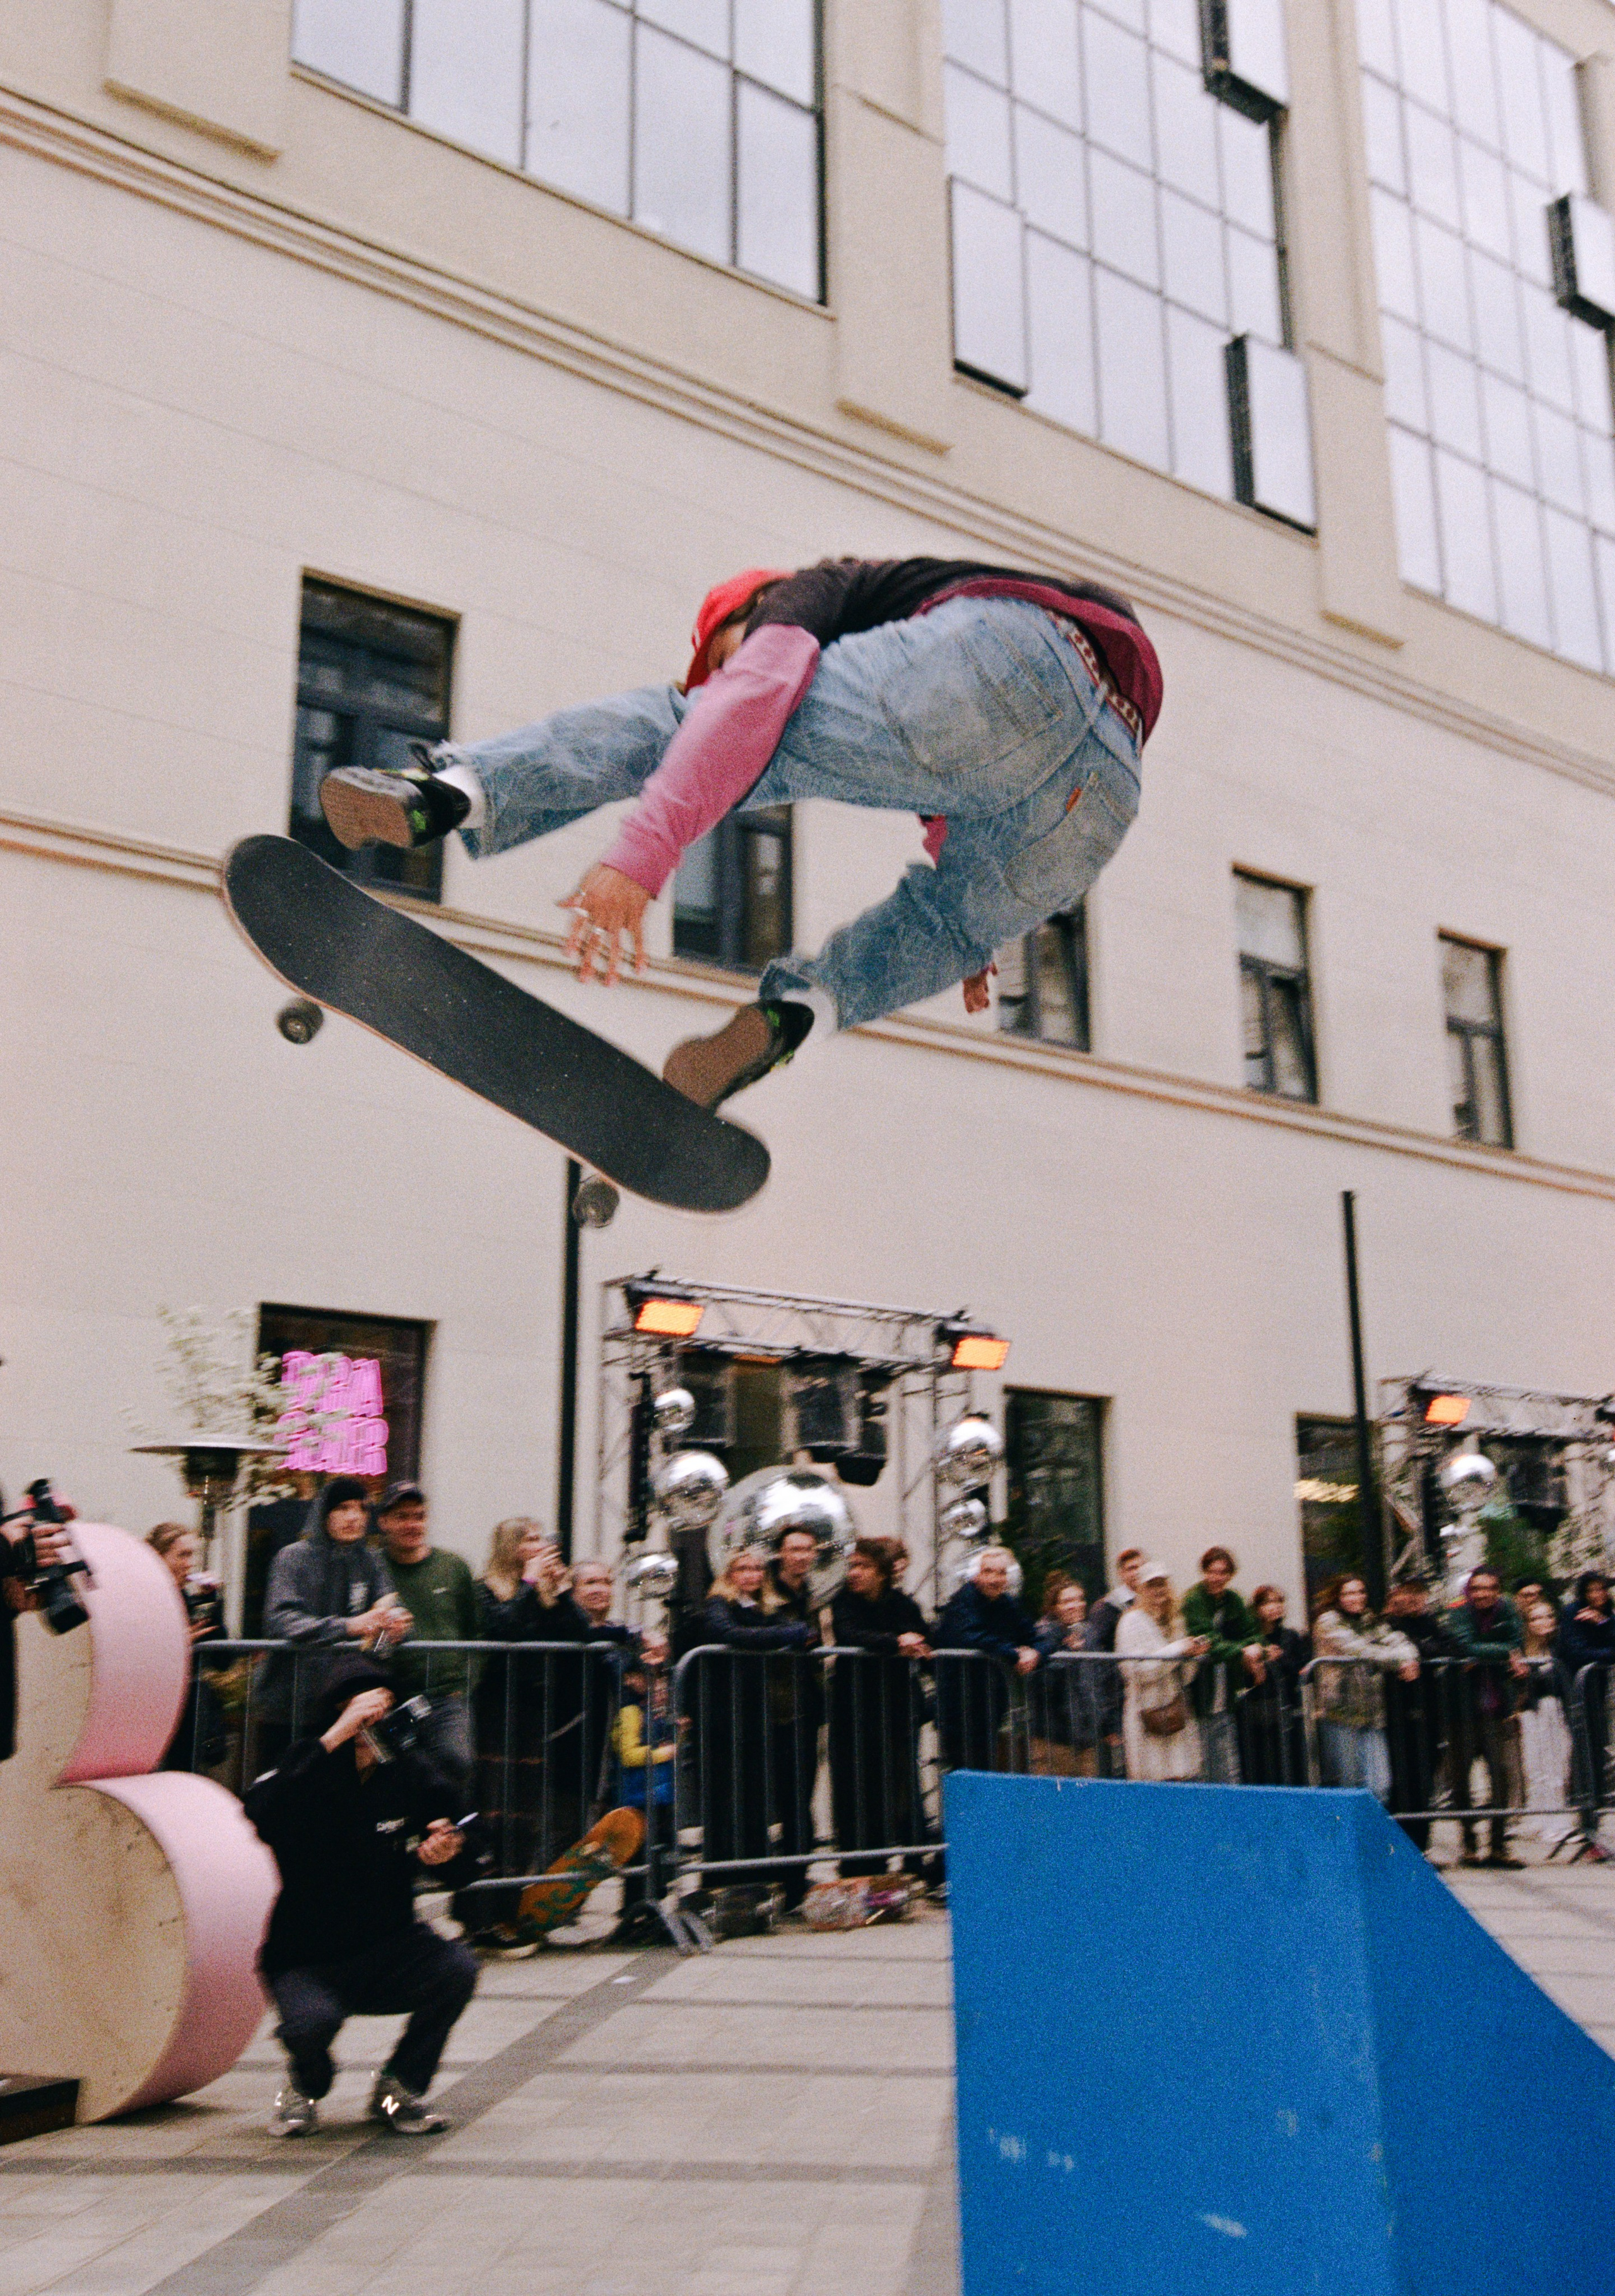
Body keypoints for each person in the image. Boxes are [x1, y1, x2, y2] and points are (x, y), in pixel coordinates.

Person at [316, 557, 1158, 1108]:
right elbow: (986, 781)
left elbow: (745, 706)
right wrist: (982, 943)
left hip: (1006, 647)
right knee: (947, 924)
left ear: (747, 614)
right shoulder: (908, 651)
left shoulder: (808, 595)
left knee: (693, 727)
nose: (722, 674)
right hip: (1112, 778)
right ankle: (797, 1015)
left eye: (722, 654)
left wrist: (641, 859)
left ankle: (446, 792)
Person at [244, 1650, 479, 2138]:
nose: (376, 1723)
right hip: (305, 1955)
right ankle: (306, 2082)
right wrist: (335, 1737)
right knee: (310, 2027)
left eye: (384, 1709)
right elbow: (259, 1813)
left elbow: (466, 1846)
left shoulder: (409, 1773)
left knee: (457, 1970)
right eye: (364, 1712)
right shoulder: (306, 1768)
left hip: (388, 1944)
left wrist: (448, 1849)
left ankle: (400, 2086)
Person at [257, 1479, 410, 1766]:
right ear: (324, 1513)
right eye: (343, 1508)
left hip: (343, 1705)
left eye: (362, 1509)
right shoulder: (293, 1558)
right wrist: (350, 1626)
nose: (354, 1517)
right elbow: (281, 1620)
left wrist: (397, 1623)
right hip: (288, 1705)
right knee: (281, 1791)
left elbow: (389, 1604)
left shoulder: (371, 1560)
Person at [696, 1545, 814, 1912]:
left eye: (756, 1570)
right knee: (725, 1795)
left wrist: (788, 1631)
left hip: (753, 1711)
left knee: (753, 1796)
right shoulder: (718, 1604)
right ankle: (720, 1878)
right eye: (742, 1569)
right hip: (722, 1711)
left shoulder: (760, 1607)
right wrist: (787, 1634)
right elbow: (733, 1634)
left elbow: (788, 1629)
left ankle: (754, 1880)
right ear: (729, 1573)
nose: (750, 1576)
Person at [828, 1538, 932, 1875]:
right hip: (854, 1711)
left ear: (883, 1573)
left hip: (896, 1709)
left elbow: (925, 1638)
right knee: (855, 1787)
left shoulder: (903, 1604)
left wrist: (916, 1642)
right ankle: (860, 1866)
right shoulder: (843, 1601)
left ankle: (913, 1865)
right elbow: (848, 1634)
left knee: (902, 1786)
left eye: (864, 1566)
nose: (854, 1573)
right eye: (852, 1566)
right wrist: (896, 1641)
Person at [373, 1484, 482, 1794]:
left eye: (419, 1517)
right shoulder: (373, 1568)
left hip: (447, 1697)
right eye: (402, 1517)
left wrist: (466, 1683)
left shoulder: (453, 1567)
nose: (412, 1525)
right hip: (391, 1698)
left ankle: (446, 1837)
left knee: (456, 1762)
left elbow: (477, 1631)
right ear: (384, 1522)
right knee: (389, 1769)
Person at [761, 1526, 828, 1911]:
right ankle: (777, 1879)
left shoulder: (814, 1594)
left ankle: (796, 1880)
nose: (802, 1556)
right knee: (776, 1798)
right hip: (774, 1707)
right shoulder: (768, 1593)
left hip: (806, 1707)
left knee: (800, 1797)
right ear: (780, 1554)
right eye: (794, 1549)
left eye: (807, 1549)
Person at [1445, 1566, 1527, 1868]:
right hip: (1463, 1712)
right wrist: (1504, 1653)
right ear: (1470, 1591)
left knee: (1503, 1779)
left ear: (1497, 1589)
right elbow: (1465, 1645)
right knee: (1461, 1782)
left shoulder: (1508, 1611)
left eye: (1489, 1588)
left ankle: (1497, 1845)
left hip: (1497, 1709)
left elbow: (1517, 1642)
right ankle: (1468, 1843)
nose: (1482, 1594)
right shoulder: (1459, 1612)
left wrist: (1486, 1654)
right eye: (1477, 1588)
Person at [1310, 1575, 1418, 1803]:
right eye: (1349, 1593)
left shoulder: (1370, 1619)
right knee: (1350, 1785)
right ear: (1338, 1597)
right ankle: (1350, 1839)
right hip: (1339, 1713)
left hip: (1371, 1713)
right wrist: (1399, 1661)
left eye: (1360, 1592)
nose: (1356, 1598)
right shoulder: (1328, 1621)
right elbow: (1359, 1650)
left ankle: (1370, 1838)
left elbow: (1398, 1639)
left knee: (1381, 1787)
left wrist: (1409, 1658)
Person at [934, 1547, 1040, 1774]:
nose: (995, 1579)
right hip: (958, 1707)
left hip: (989, 1705)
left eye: (1001, 1573)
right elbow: (970, 1635)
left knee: (985, 1771)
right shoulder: (963, 1601)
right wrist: (1014, 1652)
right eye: (988, 1572)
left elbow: (1035, 1636)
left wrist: (1036, 1652)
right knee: (961, 1775)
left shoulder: (1007, 1604)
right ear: (976, 1575)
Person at [609, 1632, 677, 1943]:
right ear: (632, 1679)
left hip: (659, 1794)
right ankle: (633, 1911)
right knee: (639, 1854)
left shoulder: (652, 1709)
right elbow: (628, 1754)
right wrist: (664, 1753)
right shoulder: (630, 1711)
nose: (655, 1684)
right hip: (638, 1796)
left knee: (659, 1850)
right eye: (648, 1677)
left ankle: (653, 1908)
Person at [147, 1523, 228, 1774]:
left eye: (191, 1555)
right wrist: (176, 1643)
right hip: (151, 1710)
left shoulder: (185, 1599)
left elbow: (223, 1661)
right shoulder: (145, 1598)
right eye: (182, 1555)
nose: (189, 1563)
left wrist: (211, 1605)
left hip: (182, 1712)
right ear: (158, 1557)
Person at [1382, 1575, 1454, 1851]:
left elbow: (1450, 1647)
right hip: (1396, 1715)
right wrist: (1424, 1650)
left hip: (1429, 1714)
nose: (1413, 1599)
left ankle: (1422, 1846)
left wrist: (1418, 1651)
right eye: (1407, 1593)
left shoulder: (1432, 1622)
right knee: (1400, 1783)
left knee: (1425, 1783)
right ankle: (1401, 1846)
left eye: (1419, 1594)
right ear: (1396, 1595)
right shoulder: (1389, 1624)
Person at [1115, 1564, 1207, 1781]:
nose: (1158, 1590)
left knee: (1181, 1781)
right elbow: (1138, 1670)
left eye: (1162, 1584)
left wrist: (1192, 1656)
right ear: (1142, 1589)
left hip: (1175, 1710)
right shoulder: (1131, 1622)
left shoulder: (1175, 1621)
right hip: (1145, 1712)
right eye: (1152, 1585)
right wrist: (1178, 1650)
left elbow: (1185, 1677)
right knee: (1151, 1785)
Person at [1181, 1547, 1261, 1785]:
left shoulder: (1233, 1599)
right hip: (1200, 1691)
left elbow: (1250, 1632)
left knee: (1228, 1762)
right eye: (1212, 1572)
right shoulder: (1194, 1600)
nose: (1217, 1578)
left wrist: (1257, 1649)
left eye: (1223, 1573)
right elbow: (1206, 1640)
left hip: (1225, 1690)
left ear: (1230, 1575)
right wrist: (1242, 1651)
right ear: (1204, 1572)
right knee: (1203, 1761)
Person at [1557, 1569, 1614, 1860]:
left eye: (1602, 1590)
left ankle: (1594, 1823)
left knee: (1598, 1756)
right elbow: (1575, 1651)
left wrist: (1603, 1623)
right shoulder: (1571, 1614)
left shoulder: (1607, 1616)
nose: (1598, 1596)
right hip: (1577, 1695)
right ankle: (1586, 1823)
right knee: (1585, 1756)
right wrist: (1603, 1652)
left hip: (1599, 1695)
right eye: (1592, 1591)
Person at [1235, 1585, 1310, 1788]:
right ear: (1257, 1608)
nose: (1274, 1607)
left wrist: (1279, 1658)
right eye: (1268, 1602)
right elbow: (1244, 1679)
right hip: (1256, 1713)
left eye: (1278, 1602)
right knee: (1259, 1769)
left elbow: (1299, 1670)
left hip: (1285, 1711)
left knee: (1289, 1768)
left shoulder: (1290, 1636)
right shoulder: (1251, 1639)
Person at [1083, 1548, 1144, 1776]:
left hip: (1139, 1700)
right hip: (1115, 1704)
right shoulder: (1106, 1609)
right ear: (1121, 1573)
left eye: (1140, 1567)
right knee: (1118, 1772)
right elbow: (1096, 1663)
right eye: (1131, 1568)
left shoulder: (1149, 1604)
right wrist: (1107, 1717)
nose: (1137, 1572)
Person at [1030, 1579, 1100, 1778]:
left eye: (1080, 1599)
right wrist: (1068, 1656)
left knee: (1088, 1799)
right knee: (1056, 1800)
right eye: (1068, 1601)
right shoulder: (1044, 1634)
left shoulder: (1087, 1632)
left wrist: (1104, 1722)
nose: (1076, 1605)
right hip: (1055, 1736)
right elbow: (1041, 1684)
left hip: (1086, 1734)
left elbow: (1098, 1677)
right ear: (1054, 1607)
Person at [1518, 1599, 1573, 1839]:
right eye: (1536, 1618)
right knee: (1536, 1766)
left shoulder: (1560, 1647)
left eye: (1547, 1616)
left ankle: (1559, 1821)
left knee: (1558, 1767)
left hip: (1556, 1710)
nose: (1543, 1622)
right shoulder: (1523, 1650)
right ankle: (1543, 1821)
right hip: (1532, 1714)